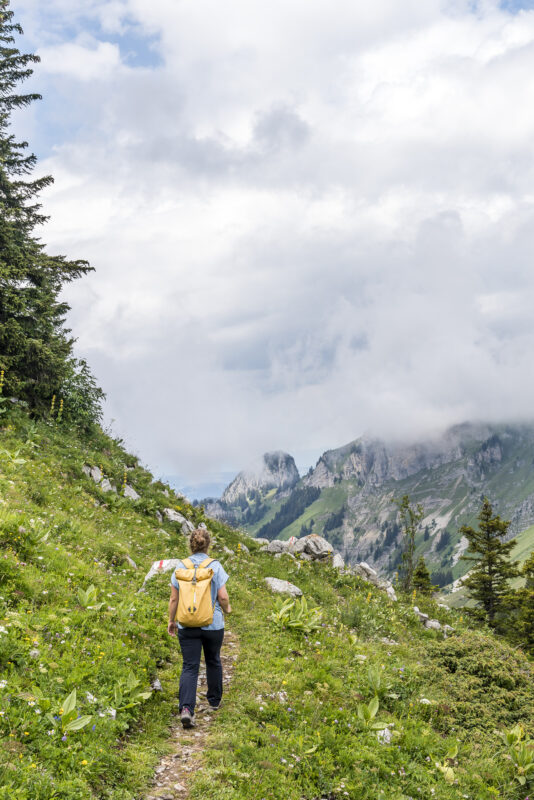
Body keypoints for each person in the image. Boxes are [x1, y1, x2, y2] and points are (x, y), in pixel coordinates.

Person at [167, 528, 231, 728]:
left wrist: (171, 620)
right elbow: (222, 596)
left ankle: (186, 709)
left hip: (187, 624)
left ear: (191, 545)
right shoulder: (216, 566)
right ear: (208, 544)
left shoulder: (180, 566)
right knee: (213, 660)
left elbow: (174, 598)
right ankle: (213, 701)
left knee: (189, 666)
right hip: (213, 625)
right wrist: (227, 609)